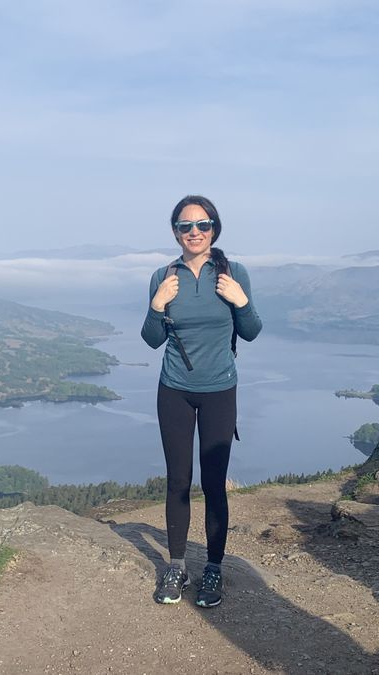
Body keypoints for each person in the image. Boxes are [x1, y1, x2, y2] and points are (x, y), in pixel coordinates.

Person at [140, 194, 263, 608]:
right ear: (175, 232)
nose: (195, 232)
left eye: (203, 224)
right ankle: (176, 566)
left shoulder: (233, 273)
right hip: (173, 389)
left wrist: (240, 301)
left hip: (219, 391)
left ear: (215, 228)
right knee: (178, 481)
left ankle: (213, 568)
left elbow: (251, 332)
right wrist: (157, 305)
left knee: (213, 484)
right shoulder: (163, 275)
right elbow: (152, 339)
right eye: (185, 226)